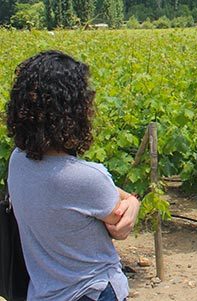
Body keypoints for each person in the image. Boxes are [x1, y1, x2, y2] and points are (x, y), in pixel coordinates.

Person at [6, 50, 140, 301]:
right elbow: (118, 225)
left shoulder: (18, 161)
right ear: (74, 110)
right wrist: (133, 202)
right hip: (92, 291)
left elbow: (109, 196)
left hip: (42, 292)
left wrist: (129, 201)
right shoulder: (86, 178)